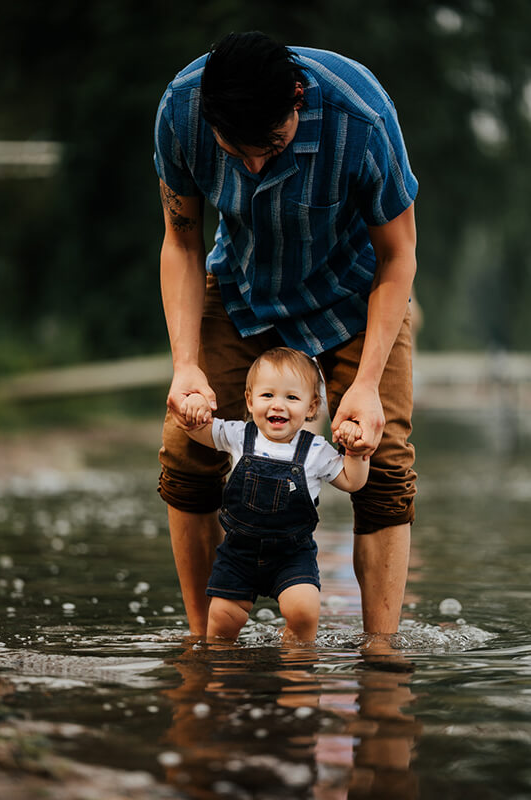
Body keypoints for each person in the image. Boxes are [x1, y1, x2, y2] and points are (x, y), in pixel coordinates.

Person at [154, 31, 418, 638]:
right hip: (242, 284)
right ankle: (206, 642)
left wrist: (368, 384)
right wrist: (186, 365)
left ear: (298, 98)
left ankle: (380, 656)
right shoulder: (180, 110)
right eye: (235, 150)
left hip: (357, 290)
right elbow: (183, 238)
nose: (252, 166)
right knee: (185, 447)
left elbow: (399, 255)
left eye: (270, 146)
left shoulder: (363, 118)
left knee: (383, 462)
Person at [181, 346, 369, 642]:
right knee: (222, 621)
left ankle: (295, 659)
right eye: (267, 396)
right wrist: (192, 413)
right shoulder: (238, 435)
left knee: (305, 611)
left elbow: (351, 482)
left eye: (291, 397)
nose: (278, 405)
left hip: (292, 555)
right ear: (250, 400)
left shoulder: (316, 450)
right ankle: (223, 672)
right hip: (238, 554)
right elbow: (200, 431)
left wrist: (356, 454)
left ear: (311, 407)